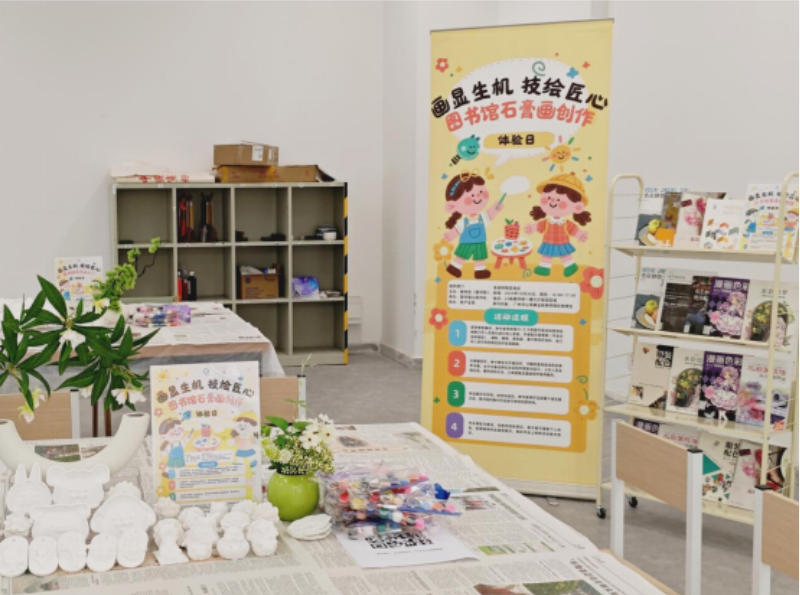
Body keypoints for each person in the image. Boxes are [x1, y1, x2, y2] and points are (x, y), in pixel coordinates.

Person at [524, 172, 591, 277]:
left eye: (559, 199)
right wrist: (532, 228)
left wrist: (580, 235)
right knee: (546, 254)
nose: (553, 201)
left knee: (565, 254)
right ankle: (544, 267)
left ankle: (570, 266)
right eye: (548, 197)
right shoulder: (546, 222)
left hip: (562, 242)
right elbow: (539, 226)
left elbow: (573, 229)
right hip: (548, 242)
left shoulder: (566, 223)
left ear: (577, 207)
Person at [442, 171, 504, 278]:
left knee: (480, 257)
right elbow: (457, 230)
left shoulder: (482, 218)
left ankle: (480, 271)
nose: (478, 196)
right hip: (465, 242)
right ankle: (454, 267)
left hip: (480, 242)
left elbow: (490, 214)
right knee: (461, 255)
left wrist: (496, 207)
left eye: (481, 191)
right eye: (472, 195)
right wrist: (450, 235)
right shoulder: (464, 222)